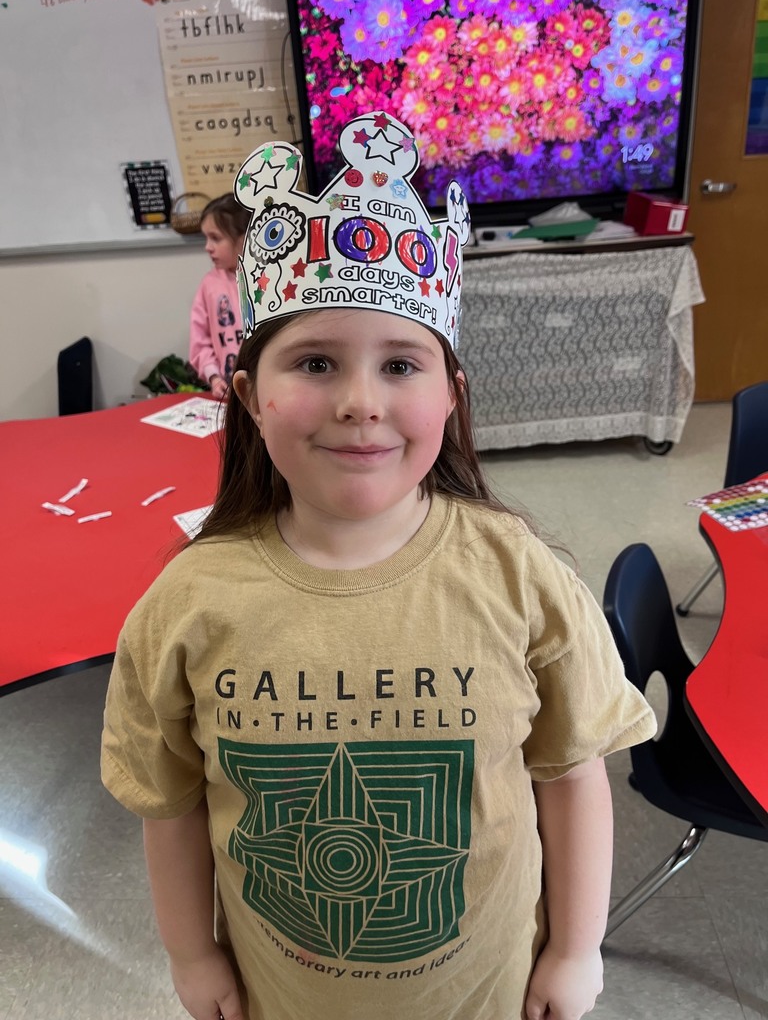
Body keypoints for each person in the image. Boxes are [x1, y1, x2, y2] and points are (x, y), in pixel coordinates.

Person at [101, 111, 657, 1020]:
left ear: (451, 394)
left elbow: (571, 774)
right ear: (247, 396)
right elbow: (171, 806)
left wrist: (577, 946)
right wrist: (192, 955)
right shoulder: (187, 605)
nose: (361, 403)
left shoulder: (518, 574)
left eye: (401, 364)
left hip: (485, 991)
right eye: (315, 361)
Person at [189, 194, 250, 399]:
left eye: (215, 238)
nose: (207, 247)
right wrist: (213, 376)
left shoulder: (272, 279)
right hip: (229, 396)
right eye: (206, 238)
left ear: (243, 239)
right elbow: (200, 339)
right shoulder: (209, 284)